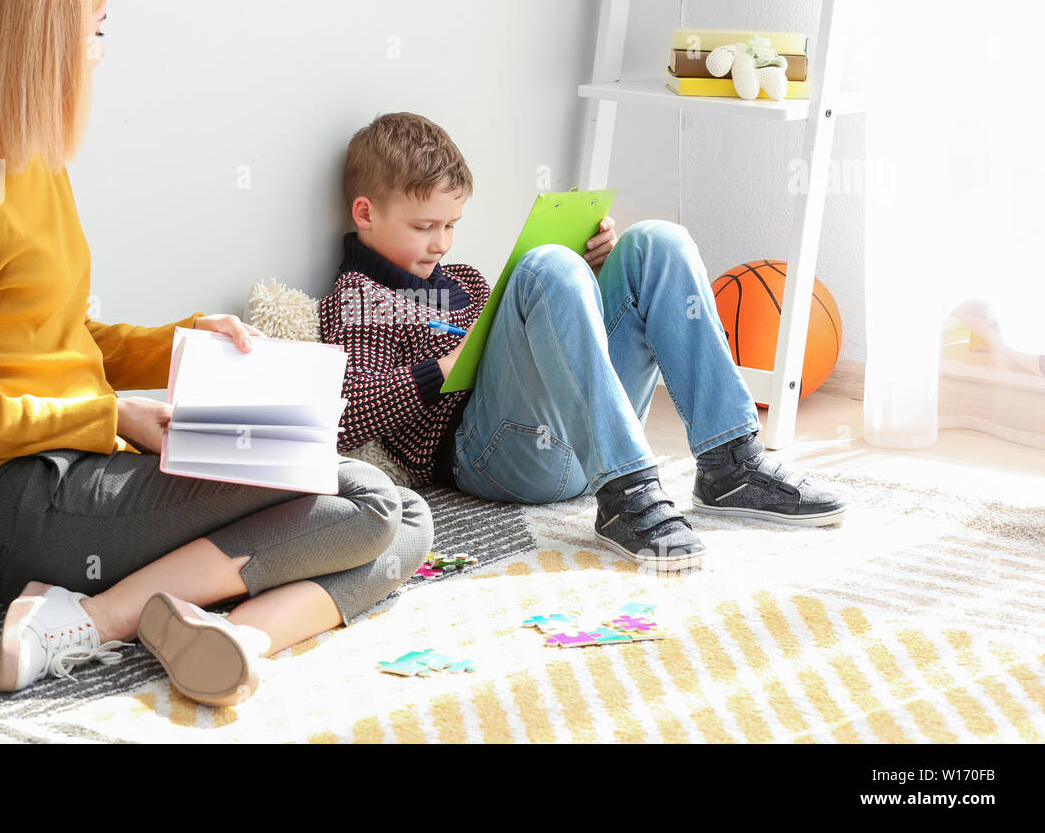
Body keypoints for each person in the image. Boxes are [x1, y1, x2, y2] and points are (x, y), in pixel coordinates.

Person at [0, 0, 432, 707]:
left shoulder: (34, 167)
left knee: (405, 514)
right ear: (43, 45)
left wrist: (181, 342)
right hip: (24, 505)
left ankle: (233, 637)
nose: (101, 52)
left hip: (90, 471)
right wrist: (111, 414)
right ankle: (90, 619)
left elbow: (61, 338)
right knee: (367, 503)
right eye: (93, 32)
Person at [319, 112, 849, 571]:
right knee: (542, 267)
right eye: (424, 226)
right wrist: (444, 365)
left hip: (582, 441)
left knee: (656, 242)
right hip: (492, 459)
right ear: (366, 213)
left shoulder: (466, 280)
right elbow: (346, 418)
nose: (440, 243)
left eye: (451, 225)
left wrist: (584, 280)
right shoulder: (357, 297)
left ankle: (730, 465)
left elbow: (546, 359)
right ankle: (627, 499)